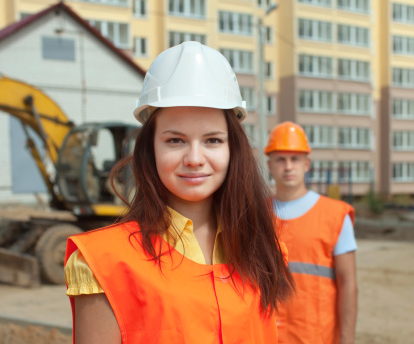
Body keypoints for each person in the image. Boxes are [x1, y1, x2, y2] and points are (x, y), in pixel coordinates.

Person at [63, 41, 294, 344]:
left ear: (233, 149)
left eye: (212, 140)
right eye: (175, 141)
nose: (195, 158)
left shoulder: (264, 247)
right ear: (151, 149)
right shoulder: (104, 262)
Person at [265, 122, 358, 344]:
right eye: (281, 159)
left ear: (307, 164)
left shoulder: (335, 216)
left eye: (295, 159)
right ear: (270, 165)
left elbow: (348, 284)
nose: (288, 167)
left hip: (316, 337)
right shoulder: (255, 216)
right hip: (265, 335)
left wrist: (347, 339)